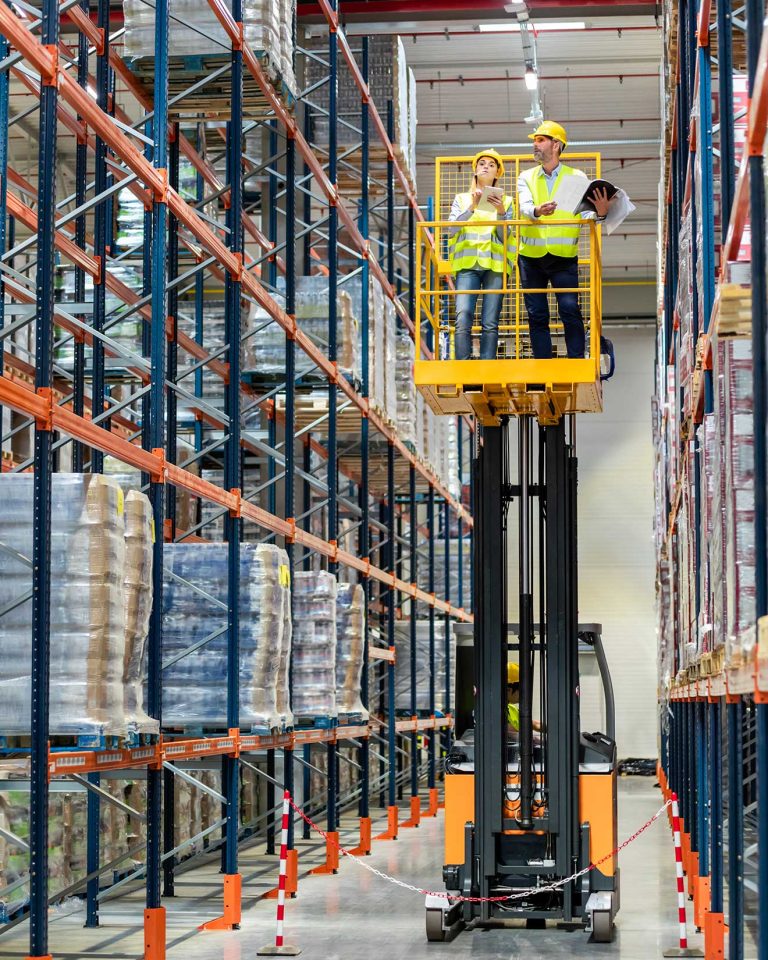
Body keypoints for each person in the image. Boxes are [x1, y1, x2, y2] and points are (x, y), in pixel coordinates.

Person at [517, 121, 613, 359]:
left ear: (556, 145)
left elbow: (586, 214)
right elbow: (524, 207)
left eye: (540, 140)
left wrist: (600, 212)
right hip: (531, 258)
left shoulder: (576, 176)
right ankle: (543, 365)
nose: (535, 145)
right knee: (536, 313)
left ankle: (576, 360)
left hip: (564, 258)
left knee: (570, 309)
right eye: (535, 140)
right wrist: (538, 210)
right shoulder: (526, 177)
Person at [447, 148, 516, 360]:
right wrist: (471, 208)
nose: (486, 166)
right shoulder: (461, 199)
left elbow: (506, 237)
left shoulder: (507, 202)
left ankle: (487, 365)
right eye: (482, 163)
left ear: (497, 174)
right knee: (463, 316)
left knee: (490, 321)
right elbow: (451, 229)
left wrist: (502, 213)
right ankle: (463, 366)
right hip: (468, 266)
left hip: (494, 266)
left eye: (491, 164)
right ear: (475, 170)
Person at [507, 661, 542, 734]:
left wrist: (554, 727)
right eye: (521, 690)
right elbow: (512, 734)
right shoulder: (495, 711)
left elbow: (534, 724)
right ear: (508, 690)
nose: (524, 694)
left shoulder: (511, 709)